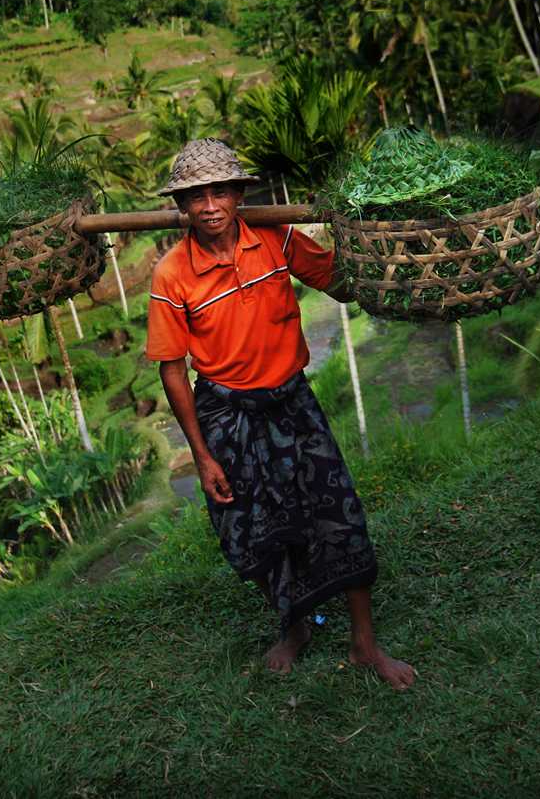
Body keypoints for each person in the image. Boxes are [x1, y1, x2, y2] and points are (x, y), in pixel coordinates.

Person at [146, 139, 414, 689]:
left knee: (337, 509)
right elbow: (173, 371)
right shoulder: (172, 275)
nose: (210, 205)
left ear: (240, 193)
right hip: (227, 414)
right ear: (182, 206)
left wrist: (380, 243)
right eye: (195, 196)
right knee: (256, 530)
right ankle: (297, 627)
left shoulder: (275, 236)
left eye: (220, 190)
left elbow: (340, 283)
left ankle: (364, 644)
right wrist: (201, 456)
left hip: (292, 401)